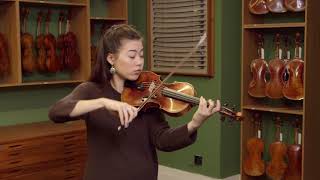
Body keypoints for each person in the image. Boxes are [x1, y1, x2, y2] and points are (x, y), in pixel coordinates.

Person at [48, 24, 221, 180]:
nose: (139, 62)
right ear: (111, 59)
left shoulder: (147, 95)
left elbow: (162, 140)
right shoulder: (91, 90)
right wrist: (103, 102)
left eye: (141, 55)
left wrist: (194, 124)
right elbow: (57, 112)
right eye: (132, 56)